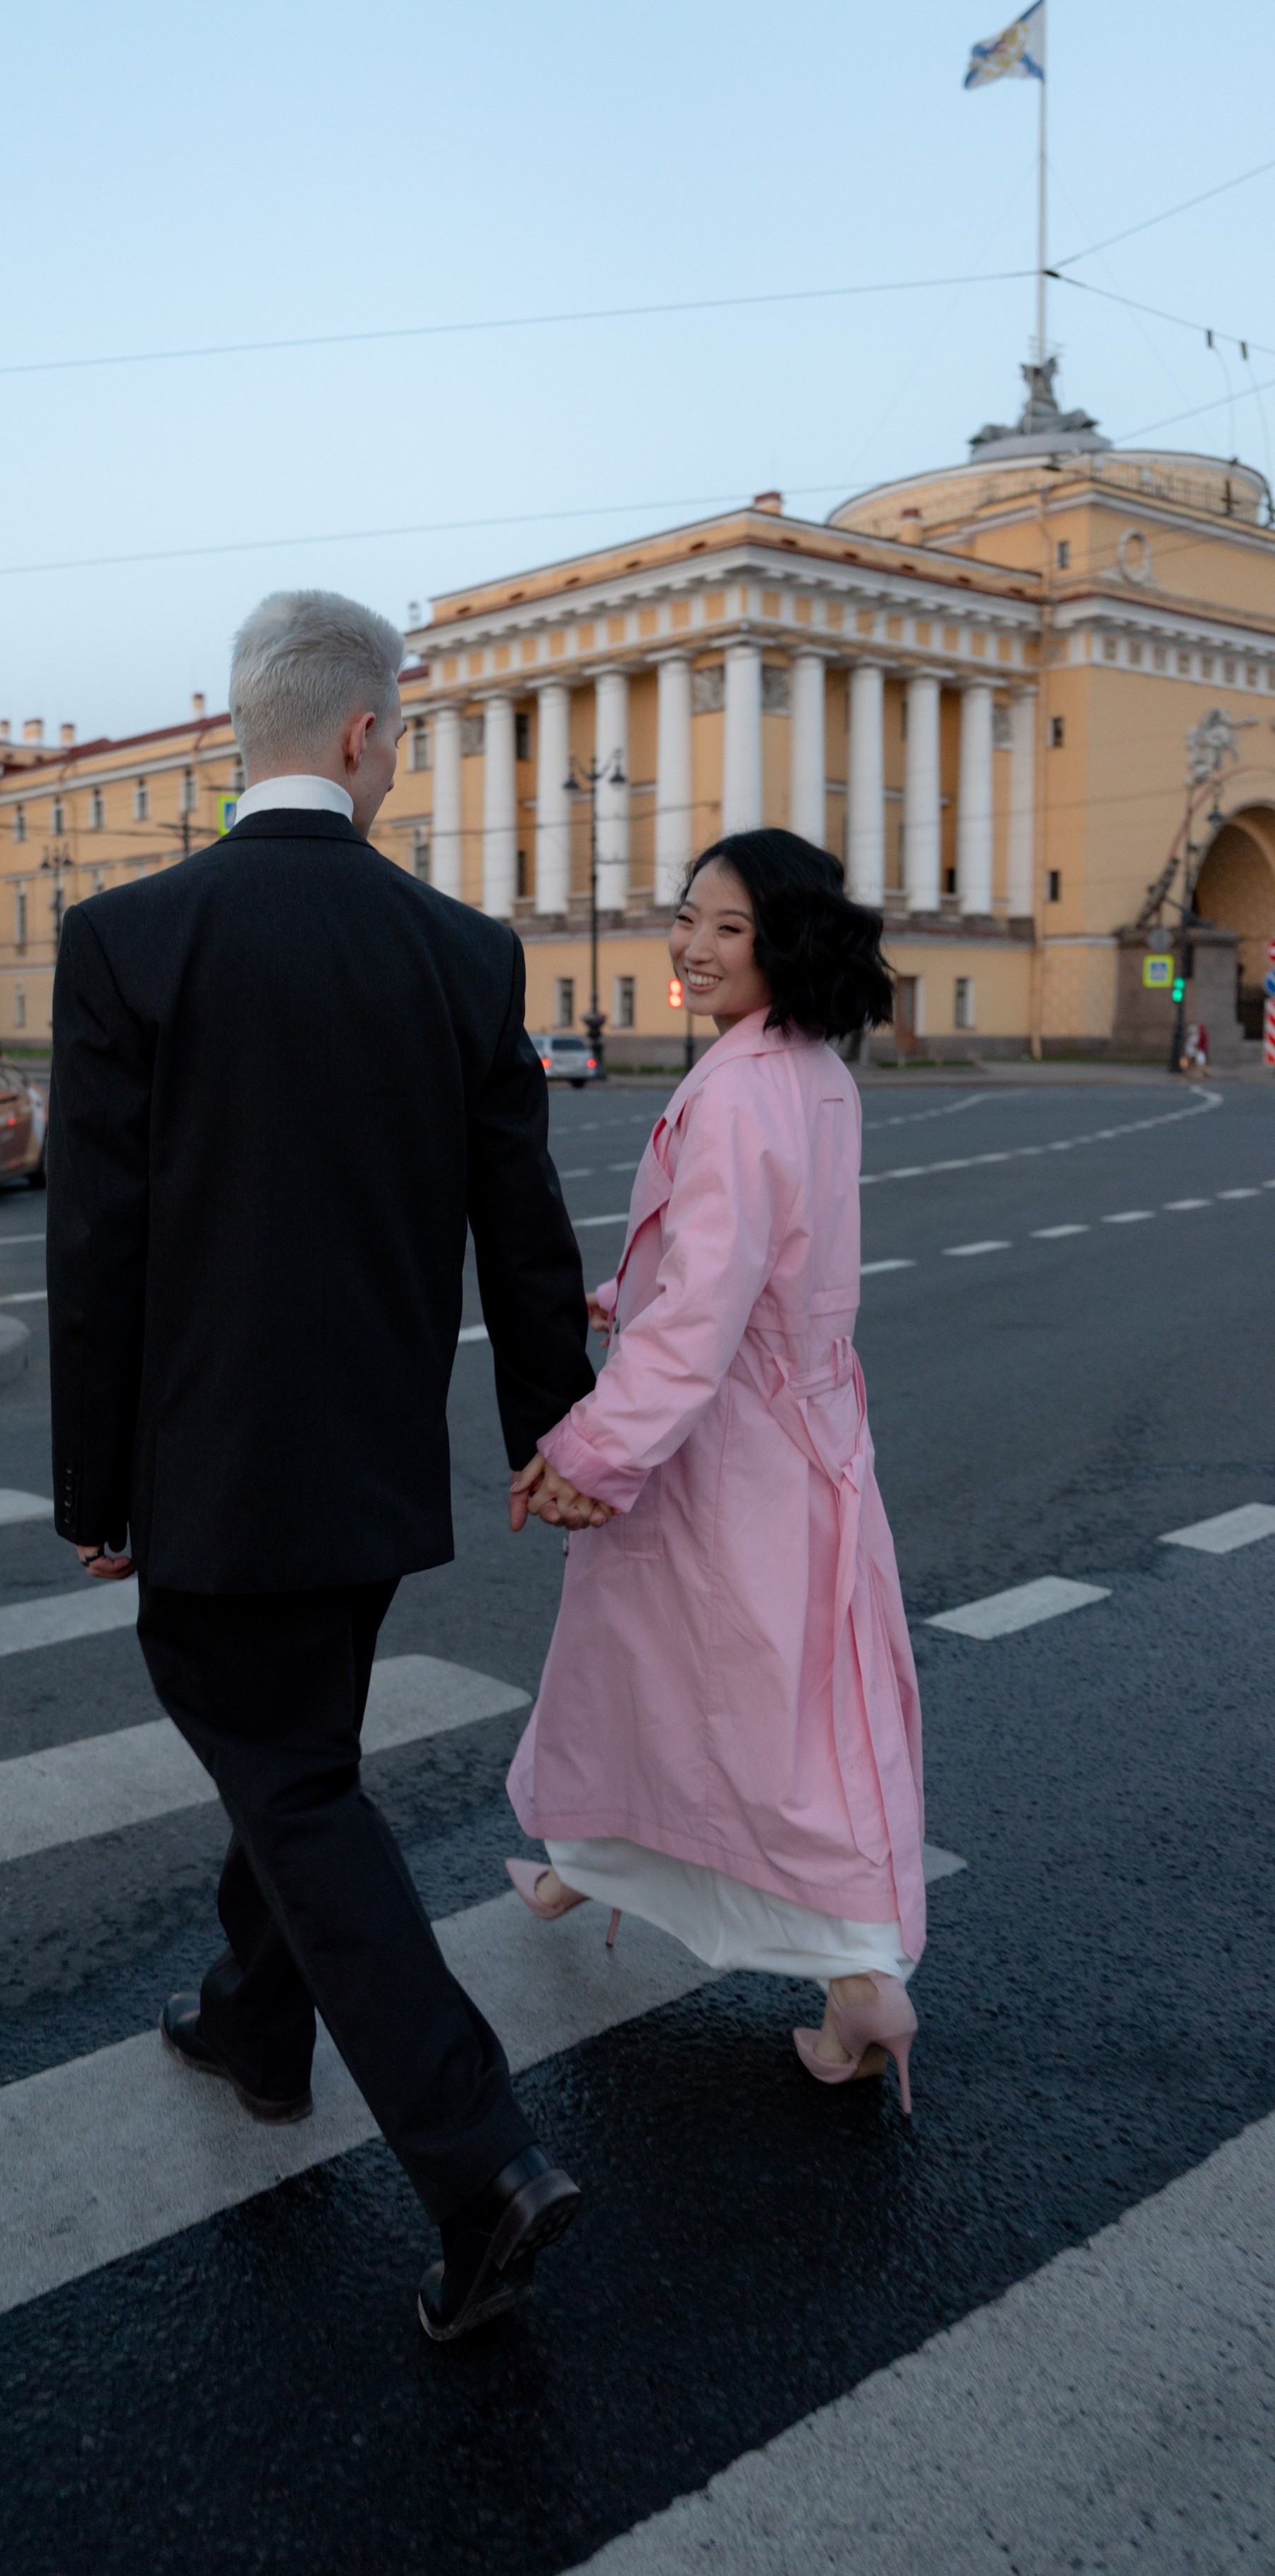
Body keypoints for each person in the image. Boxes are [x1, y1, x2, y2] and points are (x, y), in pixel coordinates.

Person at [47, 588, 597, 2340]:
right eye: (407, 728)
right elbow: (522, 1227)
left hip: (205, 1473)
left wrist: (93, 1491)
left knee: (285, 1777)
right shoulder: (459, 949)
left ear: (250, 726)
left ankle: (477, 2152)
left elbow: (99, 1245)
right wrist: (549, 1431)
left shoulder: (130, 937)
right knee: (296, 1750)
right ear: (363, 737)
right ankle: (252, 2027)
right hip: (366, 1476)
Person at [506, 830, 928, 2110]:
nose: (691, 945)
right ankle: (596, 1853)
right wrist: (627, 1300)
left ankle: (859, 1982)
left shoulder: (742, 1089)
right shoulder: (808, 1071)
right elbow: (740, 1277)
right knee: (689, 1679)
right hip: (794, 1430)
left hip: (726, 1449)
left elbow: (706, 1313)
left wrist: (590, 1449)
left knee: (756, 1710)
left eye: (726, 928)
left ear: (784, 943)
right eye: (686, 917)